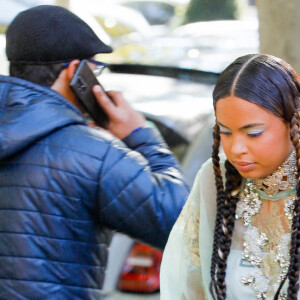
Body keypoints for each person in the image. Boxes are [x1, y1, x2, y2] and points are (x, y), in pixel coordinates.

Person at [0, 5, 189, 299]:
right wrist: (141, 137)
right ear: (76, 72)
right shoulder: (95, 153)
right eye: (95, 69)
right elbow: (182, 223)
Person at [160, 53, 300, 300]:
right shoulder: (215, 182)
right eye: (225, 132)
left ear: (294, 122)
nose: (236, 149)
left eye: (253, 133)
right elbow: (185, 285)